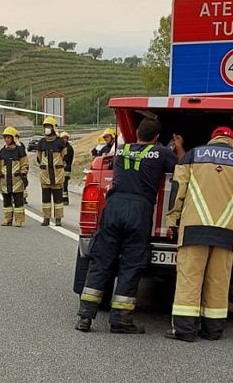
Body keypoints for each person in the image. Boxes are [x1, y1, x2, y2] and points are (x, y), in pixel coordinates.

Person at [76, 118, 180, 333]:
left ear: (137, 134)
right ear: (157, 137)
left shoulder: (122, 149)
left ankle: (85, 318)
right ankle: (120, 320)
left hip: (113, 207)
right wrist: (178, 148)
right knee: (131, 264)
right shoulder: (162, 153)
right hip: (139, 211)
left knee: (101, 261)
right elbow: (183, 169)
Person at [164, 126, 233, 342]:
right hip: (225, 231)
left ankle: (184, 331)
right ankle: (213, 330)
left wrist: (171, 221)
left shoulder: (193, 155)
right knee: (218, 281)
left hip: (194, 228)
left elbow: (177, 190)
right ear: (232, 141)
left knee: (190, 279)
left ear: (212, 139)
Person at [0, 126, 30, 226]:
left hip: (17, 181)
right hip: (5, 182)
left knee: (18, 202)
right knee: (6, 201)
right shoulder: (2, 151)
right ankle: (7, 219)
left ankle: (19, 219)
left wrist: (24, 174)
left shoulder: (19, 150)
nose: (6, 140)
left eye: (8, 137)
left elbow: (24, 163)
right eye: (5, 138)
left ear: (13, 138)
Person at [35, 116, 67, 226]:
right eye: (45, 127)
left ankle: (58, 219)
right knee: (46, 200)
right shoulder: (41, 142)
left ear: (53, 128)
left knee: (58, 200)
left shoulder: (60, 142)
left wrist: (58, 164)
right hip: (45, 175)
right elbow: (39, 157)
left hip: (57, 175)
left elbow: (64, 155)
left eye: (48, 126)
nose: (46, 129)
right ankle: (46, 218)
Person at [60, 131, 75, 205]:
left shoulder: (68, 148)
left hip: (66, 169)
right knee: (61, 184)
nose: (64, 139)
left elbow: (65, 159)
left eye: (65, 138)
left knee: (64, 184)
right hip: (61, 169)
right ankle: (62, 199)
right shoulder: (61, 147)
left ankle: (65, 200)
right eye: (63, 138)